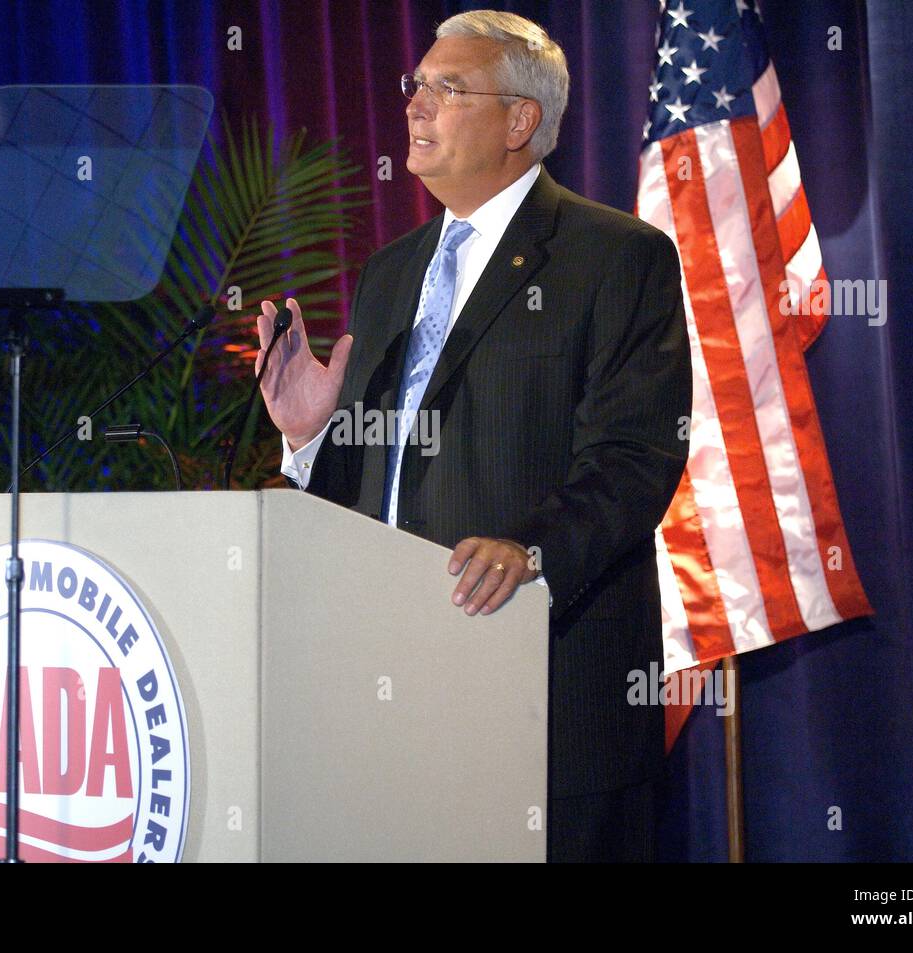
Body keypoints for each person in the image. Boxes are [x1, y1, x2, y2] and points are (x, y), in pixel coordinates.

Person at [253, 9, 691, 862]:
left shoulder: (616, 257)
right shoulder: (390, 272)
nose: (413, 105)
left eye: (445, 89)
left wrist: (527, 551)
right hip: (399, 698)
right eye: (414, 84)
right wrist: (310, 441)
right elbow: (368, 497)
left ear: (521, 121)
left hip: (548, 690)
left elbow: (637, 457)